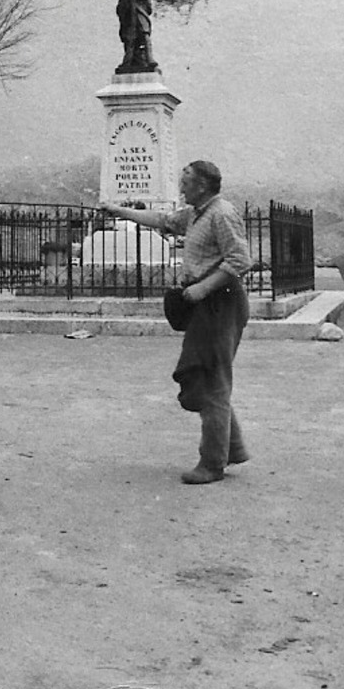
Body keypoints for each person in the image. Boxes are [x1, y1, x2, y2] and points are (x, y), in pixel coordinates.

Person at [100, 160, 252, 484]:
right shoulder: (196, 213)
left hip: (221, 304)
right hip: (206, 305)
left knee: (211, 382)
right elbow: (162, 220)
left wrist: (202, 287)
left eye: (186, 182)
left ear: (202, 186)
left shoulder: (221, 213)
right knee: (209, 379)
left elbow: (240, 259)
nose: (181, 188)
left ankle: (212, 464)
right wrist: (118, 211)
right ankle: (231, 448)